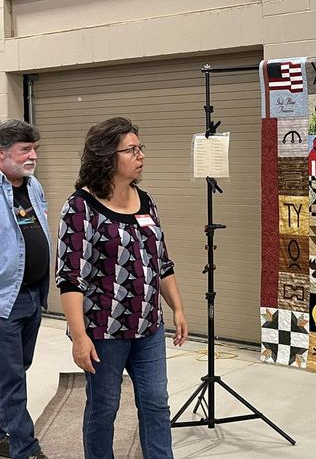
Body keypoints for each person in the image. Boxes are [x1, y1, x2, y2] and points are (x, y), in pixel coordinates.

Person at [55, 117, 188, 459]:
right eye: (131, 149)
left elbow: (162, 261)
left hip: (148, 328)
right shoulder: (80, 207)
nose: (140, 155)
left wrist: (177, 308)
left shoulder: (146, 201)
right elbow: (70, 278)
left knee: (156, 404)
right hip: (103, 332)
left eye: (140, 147)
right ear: (105, 157)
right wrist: (79, 336)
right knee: (104, 409)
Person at [0, 119, 49, 459]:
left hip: (33, 295)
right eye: (24, 150)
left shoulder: (33, 186)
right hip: (4, 300)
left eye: (34, 150)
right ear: (1, 154)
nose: (32, 156)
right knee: (12, 380)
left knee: (16, 369)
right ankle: (24, 449)